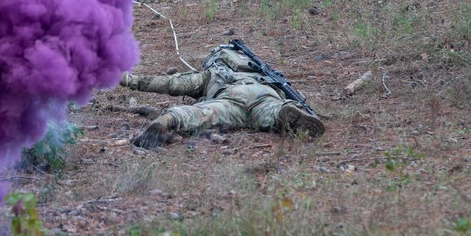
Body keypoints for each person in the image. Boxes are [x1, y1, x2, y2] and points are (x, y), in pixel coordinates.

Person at [120, 40, 325, 149]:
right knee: (271, 112)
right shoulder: (260, 72)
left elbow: (171, 83)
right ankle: (284, 114)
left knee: (203, 113)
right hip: (264, 93)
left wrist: (130, 80)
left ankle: (169, 118)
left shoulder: (213, 73)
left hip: (229, 98)